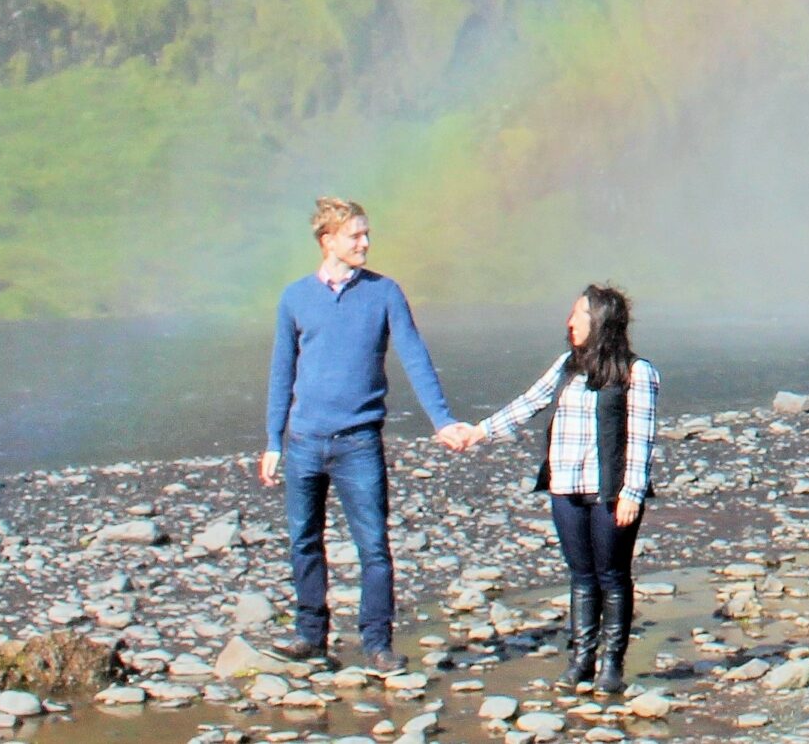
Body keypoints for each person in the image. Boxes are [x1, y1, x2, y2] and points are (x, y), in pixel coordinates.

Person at [262, 197, 474, 671]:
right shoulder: (294, 298)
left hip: (359, 442)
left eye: (366, 233)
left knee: (374, 546)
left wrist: (442, 420)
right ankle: (310, 635)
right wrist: (273, 441)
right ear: (328, 240)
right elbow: (281, 373)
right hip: (303, 443)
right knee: (303, 540)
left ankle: (377, 643)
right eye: (356, 235)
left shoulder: (384, 293)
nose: (366, 242)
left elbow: (415, 356)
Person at [456, 284, 658, 693]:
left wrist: (632, 493)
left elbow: (641, 437)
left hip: (610, 492)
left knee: (613, 576)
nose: (569, 322)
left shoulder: (637, 373)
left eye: (578, 315)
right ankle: (581, 661)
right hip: (564, 486)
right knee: (581, 575)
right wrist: (477, 433)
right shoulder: (568, 365)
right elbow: (529, 402)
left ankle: (611, 667)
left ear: (600, 321)